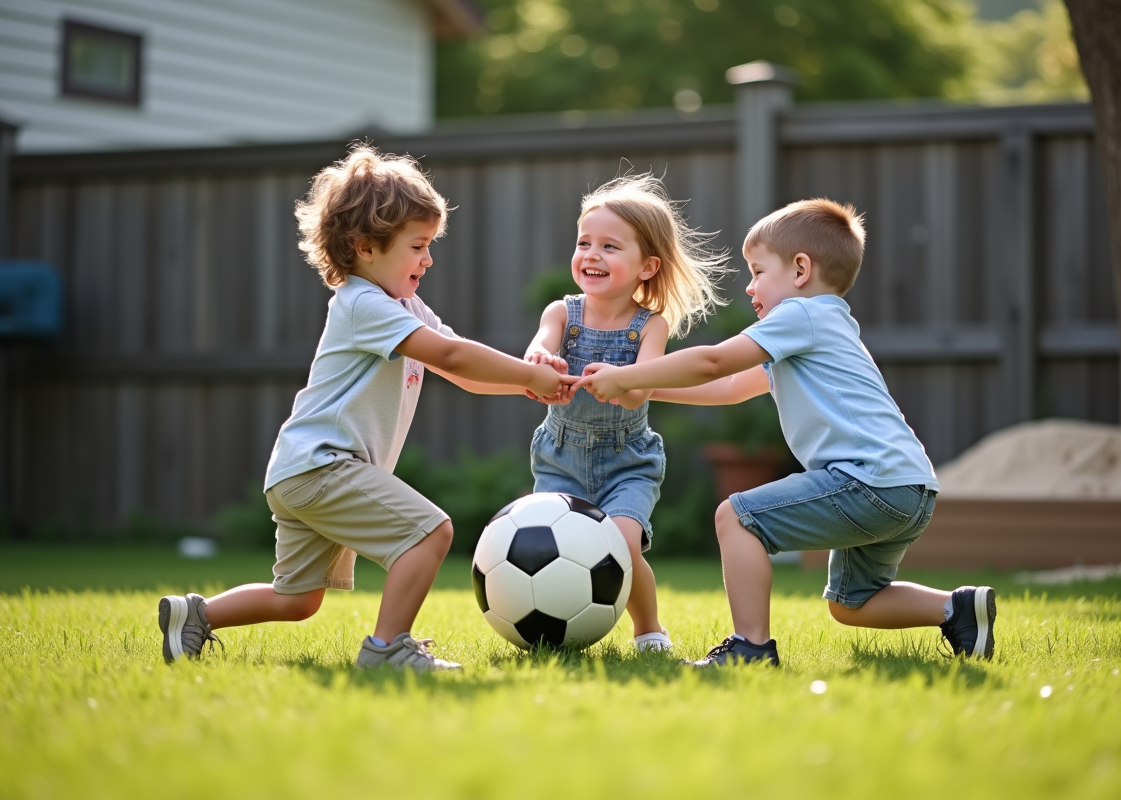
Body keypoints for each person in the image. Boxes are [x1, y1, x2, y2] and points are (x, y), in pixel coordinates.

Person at [157, 145, 572, 672]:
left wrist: (529, 386)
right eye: (418, 246)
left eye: (430, 245)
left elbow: (459, 369)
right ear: (365, 247)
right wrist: (527, 372)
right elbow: (449, 353)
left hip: (302, 470)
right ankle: (387, 649)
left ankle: (194, 615)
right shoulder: (362, 303)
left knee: (298, 600)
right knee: (429, 532)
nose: (428, 259)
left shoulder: (402, 305)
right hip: (324, 465)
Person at [574, 198, 996, 667]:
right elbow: (731, 387)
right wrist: (635, 388)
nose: (750, 287)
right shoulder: (821, 330)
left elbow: (714, 361)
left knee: (736, 517)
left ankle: (750, 647)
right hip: (908, 487)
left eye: (757, 272)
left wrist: (626, 375)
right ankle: (957, 609)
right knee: (851, 603)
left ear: (800, 270)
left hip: (868, 481)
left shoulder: (802, 316)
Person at [523, 174, 728, 653]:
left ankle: (648, 628)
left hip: (627, 461)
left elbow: (641, 392)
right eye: (584, 243)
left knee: (623, 544)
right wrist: (543, 361)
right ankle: (553, 626)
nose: (592, 255)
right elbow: (538, 348)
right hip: (560, 456)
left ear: (646, 266)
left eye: (610, 247)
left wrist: (620, 380)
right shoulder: (562, 313)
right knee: (555, 548)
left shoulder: (649, 326)